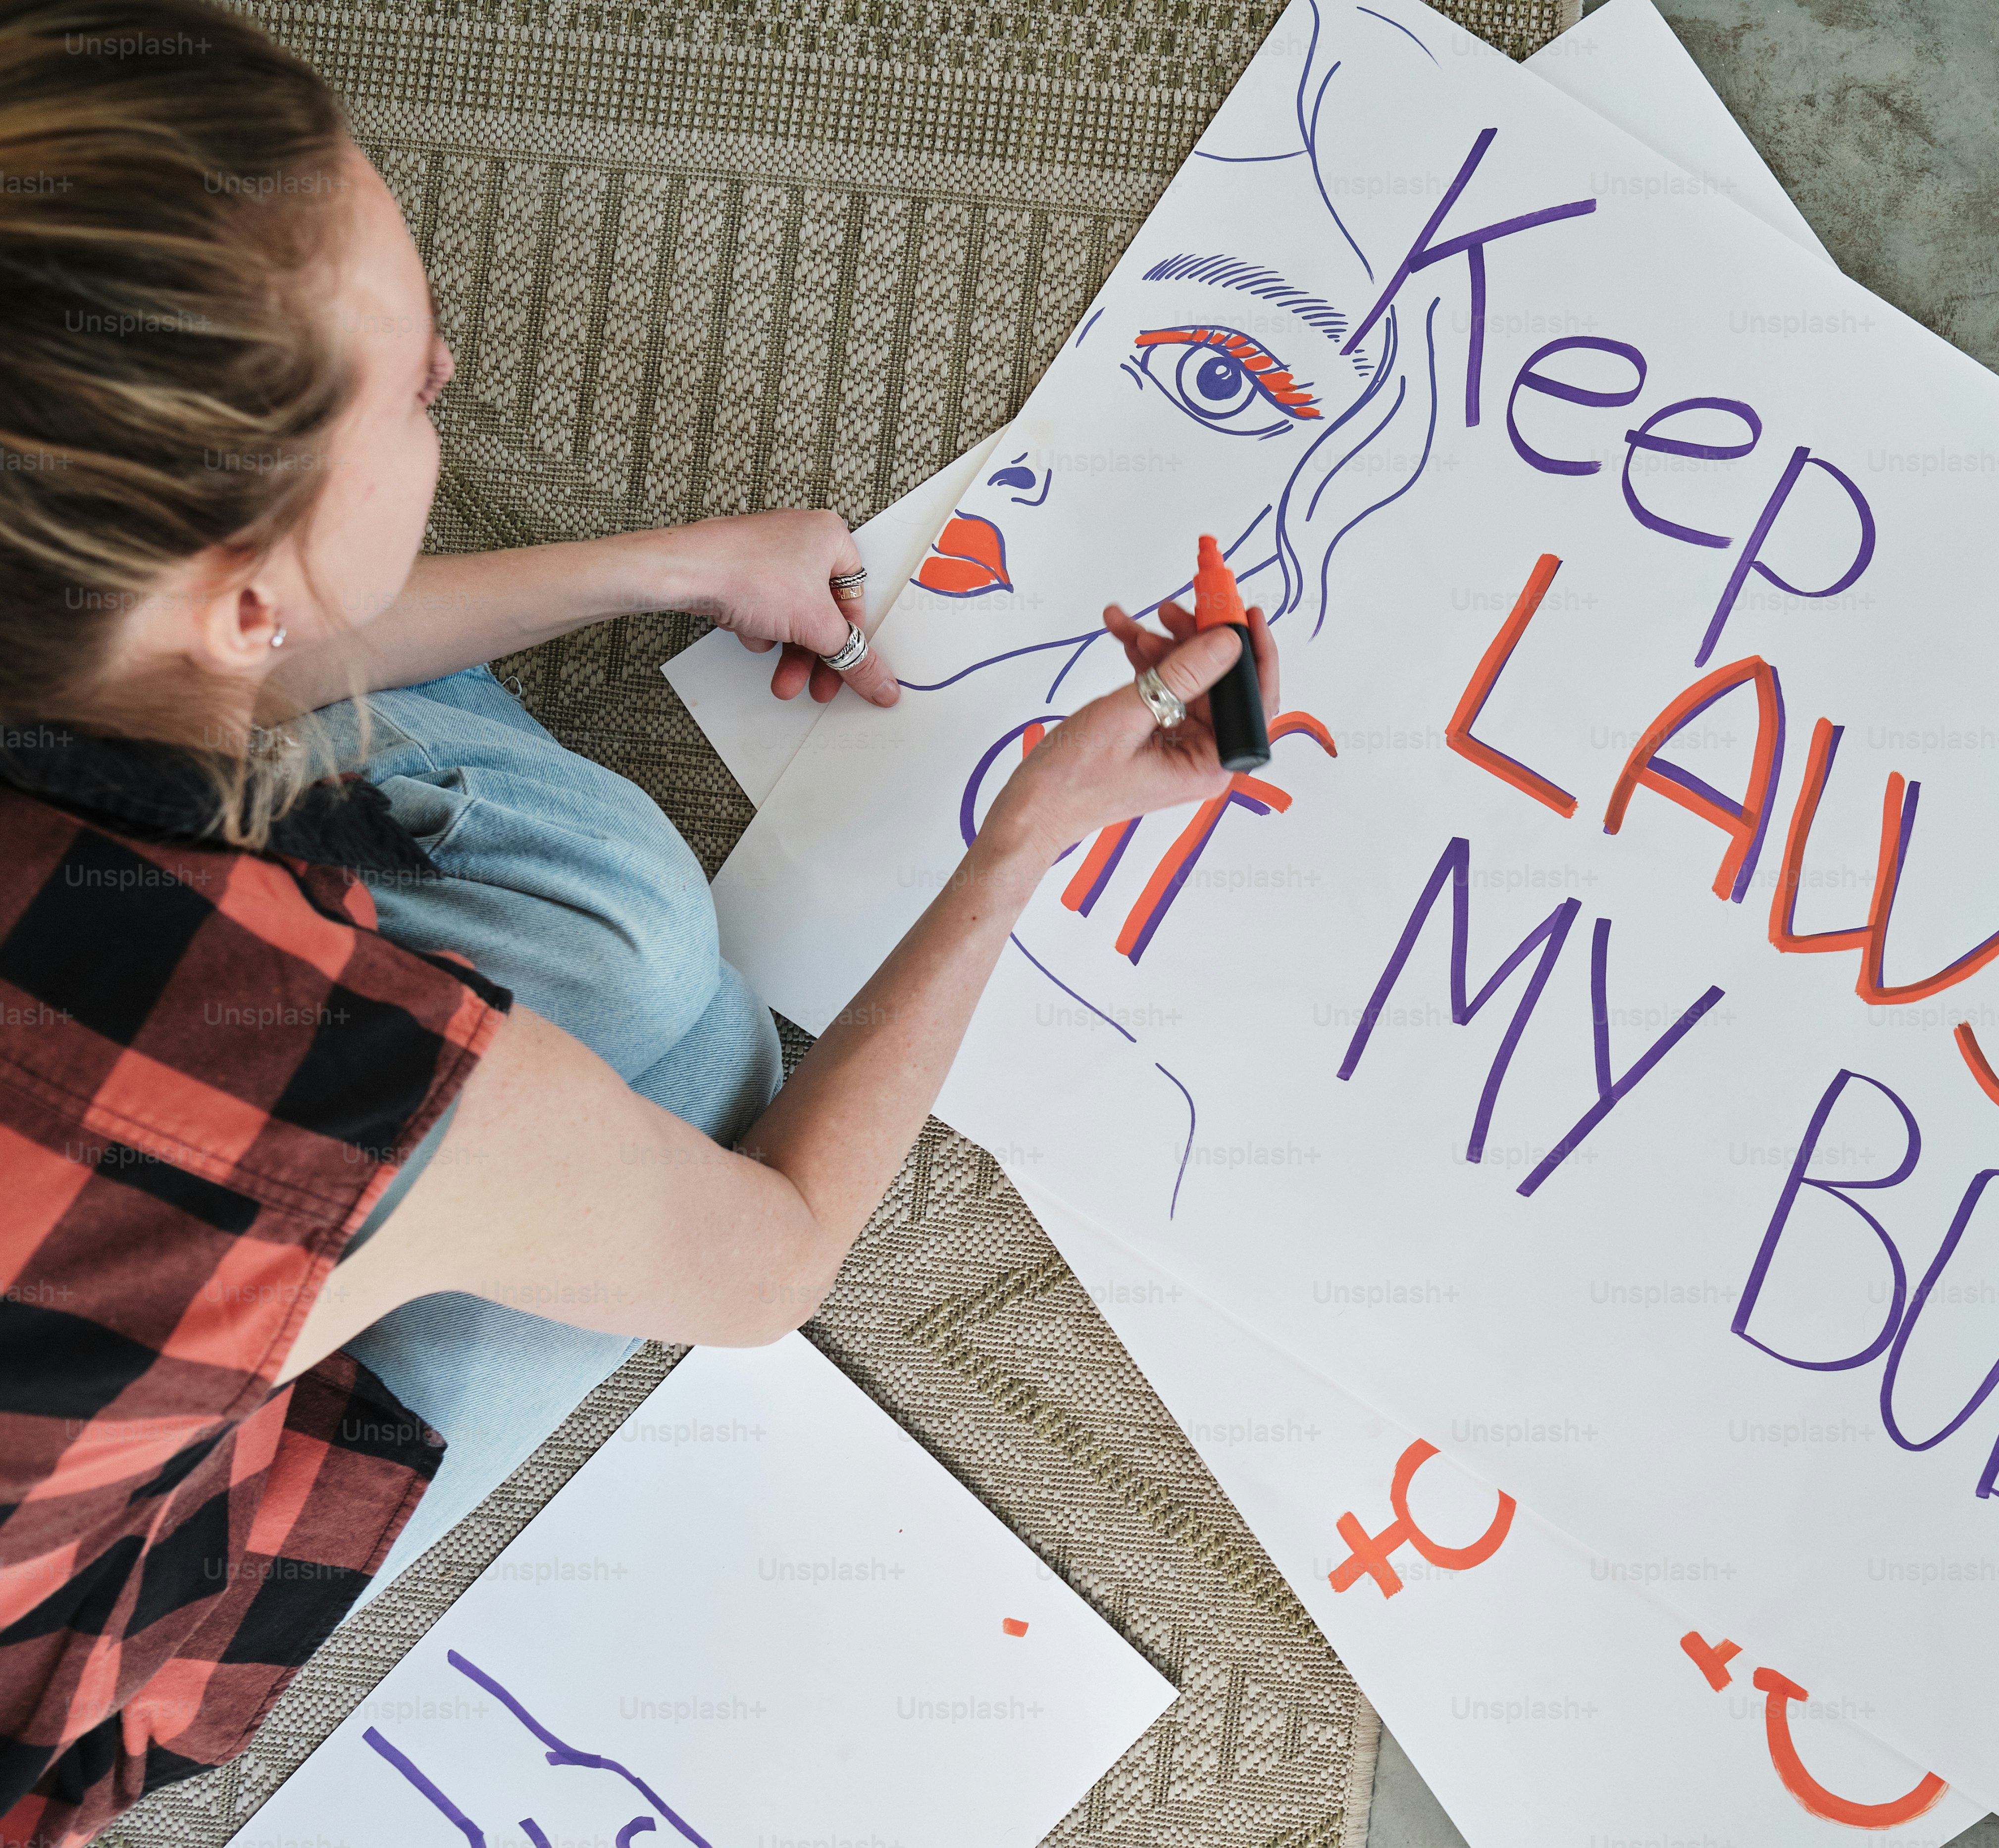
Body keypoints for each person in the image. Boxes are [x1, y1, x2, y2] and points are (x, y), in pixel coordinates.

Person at [0, 0, 1276, 1837]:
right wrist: (1022, 842)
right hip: (67, 1631)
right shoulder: (290, 1071)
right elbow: (771, 1260)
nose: (448, 358)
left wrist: (675, 566)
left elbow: (219, 654)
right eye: (402, 388)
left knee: (617, 966)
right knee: (676, 1020)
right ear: (241, 603)